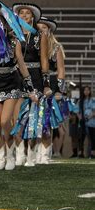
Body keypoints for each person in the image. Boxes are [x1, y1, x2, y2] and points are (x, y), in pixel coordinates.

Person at [0, 12, 37, 170]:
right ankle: (1, 155)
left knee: (5, 121)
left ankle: (10, 154)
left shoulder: (14, 41)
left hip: (12, 81)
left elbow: (22, 65)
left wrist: (30, 89)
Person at [11, 3, 51, 167]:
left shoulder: (39, 35)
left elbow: (44, 59)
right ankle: (19, 152)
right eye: (21, 13)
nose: (24, 15)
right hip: (15, 77)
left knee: (33, 117)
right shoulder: (12, 34)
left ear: (32, 17)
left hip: (35, 77)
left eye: (28, 13)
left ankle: (31, 154)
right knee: (16, 117)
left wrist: (46, 83)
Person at [38, 17, 66, 160]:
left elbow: (61, 70)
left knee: (46, 120)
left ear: (49, 30)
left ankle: (45, 152)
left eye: (44, 27)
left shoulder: (56, 47)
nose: (41, 30)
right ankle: (35, 151)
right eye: (39, 27)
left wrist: (60, 91)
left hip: (52, 84)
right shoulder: (33, 45)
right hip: (37, 83)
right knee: (34, 118)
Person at [81, 86, 95, 159]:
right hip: (84, 122)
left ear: (90, 91)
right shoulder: (82, 100)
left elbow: (94, 111)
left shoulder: (93, 100)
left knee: (93, 138)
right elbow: (79, 110)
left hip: (92, 122)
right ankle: (84, 153)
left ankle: (92, 153)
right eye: (85, 90)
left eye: (87, 90)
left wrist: (89, 117)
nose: (86, 91)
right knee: (85, 138)